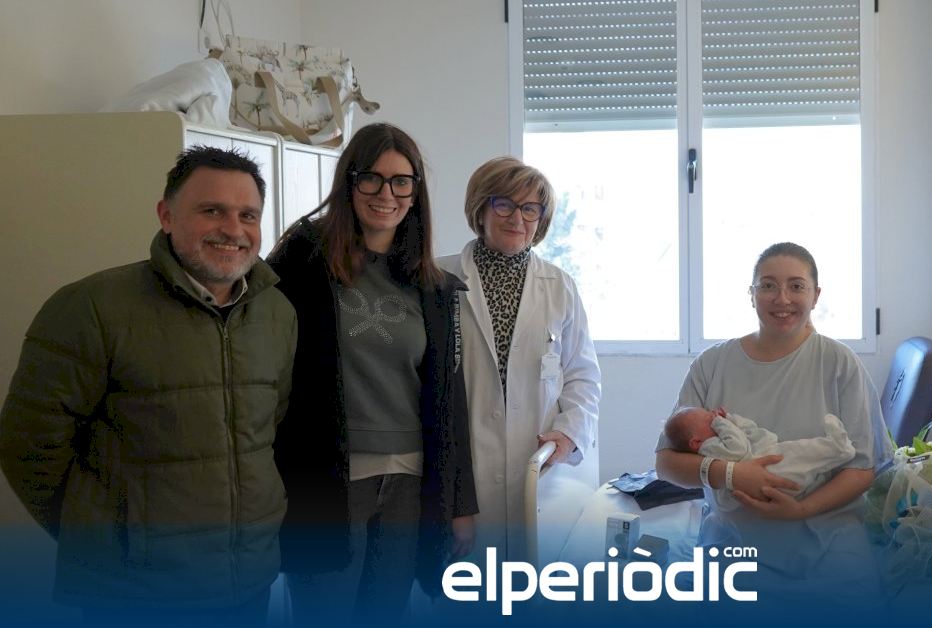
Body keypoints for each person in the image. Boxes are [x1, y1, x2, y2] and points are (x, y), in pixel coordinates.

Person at [0, 146, 297, 625]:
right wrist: (107, 538)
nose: (233, 229)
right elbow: (27, 446)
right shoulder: (92, 308)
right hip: (133, 591)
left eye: (248, 215)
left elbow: (268, 429)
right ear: (166, 215)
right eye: (212, 211)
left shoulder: (277, 313)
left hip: (249, 580)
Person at [266, 123, 476, 625]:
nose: (387, 194)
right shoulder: (303, 261)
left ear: (415, 192)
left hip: (408, 482)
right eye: (372, 178)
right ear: (349, 182)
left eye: (402, 181)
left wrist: (459, 502)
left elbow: (450, 400)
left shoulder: (432, 286)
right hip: (326, 480)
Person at [655, 242, 889, 606]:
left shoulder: (839, 363)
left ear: (815, 295)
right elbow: (666, 464)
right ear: (751, 294)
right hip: (736, 538)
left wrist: (801, 510)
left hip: (829, 534)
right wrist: (731, 474)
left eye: (796, 286)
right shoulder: (712, 364)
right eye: (767, 285)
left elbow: (861, 469)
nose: (782, 299)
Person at [438, 156, 601, 563]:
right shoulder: (438, 280)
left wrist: (568, 433)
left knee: (534, 582)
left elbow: (582, 376)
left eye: (530, 209)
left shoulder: (560, 286)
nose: (517, 218)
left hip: (541, 471)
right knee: (466, 586)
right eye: (504, 204)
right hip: (464, 473)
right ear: (481, 208)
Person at [663, 406, 856, 511]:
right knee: (801, 454)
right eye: (709, 419)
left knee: (802, 452)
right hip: (766, 476)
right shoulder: (710, 448)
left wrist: (731, 419)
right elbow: (739, 449)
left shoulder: (719, 438)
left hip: (766, 466)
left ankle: (838, 451)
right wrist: (722, 423)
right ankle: (837, 449)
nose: (714, 417)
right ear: (696, 442)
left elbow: (750, 430)